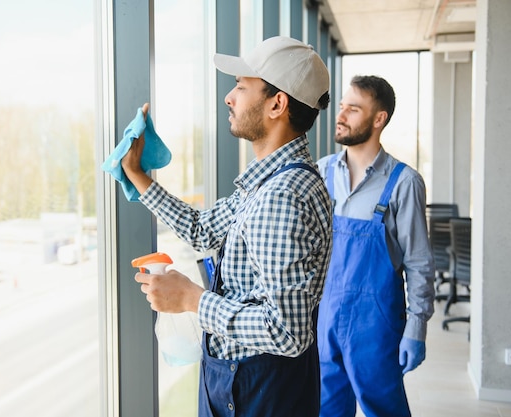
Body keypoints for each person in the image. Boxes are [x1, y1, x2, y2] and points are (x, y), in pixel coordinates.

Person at [120, 36, 333, 417]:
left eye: (240, 86)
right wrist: (137, 176)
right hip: (249, 382)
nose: (228, 97)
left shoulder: (281, 197)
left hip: (260, 390)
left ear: (277, 104)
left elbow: (287, 331)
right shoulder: (268, 181)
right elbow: (203, 229)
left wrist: (191, 299)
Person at [315, 75, 436, 417]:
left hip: (375, 325)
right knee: (325, 410)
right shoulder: (322, 173)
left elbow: (419, 263)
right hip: (323, 319)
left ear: (378, 118)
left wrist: (417, 327)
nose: (341, 116)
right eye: (341, 107)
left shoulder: (403, 183)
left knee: (384, 410)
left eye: (353, 109)